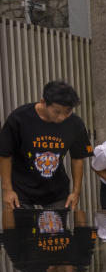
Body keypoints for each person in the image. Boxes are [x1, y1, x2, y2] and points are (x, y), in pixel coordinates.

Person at [0, 81, 93, 210]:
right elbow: (5, 154)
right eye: (57, 112)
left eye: (67, 112)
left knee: (56, 229)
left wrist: (76, 192)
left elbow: (77, 158)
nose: (62, 117)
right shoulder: (20, 118)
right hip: (21, 189)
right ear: (43, 102)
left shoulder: (75, 124)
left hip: (56, 191)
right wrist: (7, 190)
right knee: (22, 229)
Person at [1, 207, 95, 272]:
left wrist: (8, 205)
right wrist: (76, 201)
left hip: (25, 205)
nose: (72, 267)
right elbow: (82, 227)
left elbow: (9, 231)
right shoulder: (82, 260)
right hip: (58, 203)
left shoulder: (27, 265)